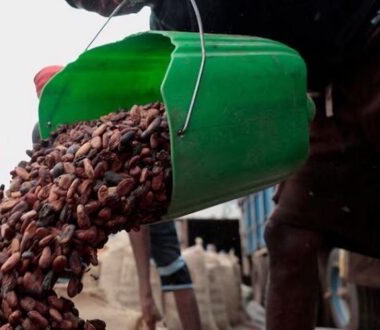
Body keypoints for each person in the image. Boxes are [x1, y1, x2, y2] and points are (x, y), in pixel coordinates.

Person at [62, 1, 380, 329]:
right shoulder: (169, 29)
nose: (98, 6)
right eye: (85, 5)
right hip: (324, 100)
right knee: (289, 235)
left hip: (367, 49)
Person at [32, 64, 200, 329]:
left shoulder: (97, 120)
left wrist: (145, 291)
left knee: (172, 266)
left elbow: (133, 203)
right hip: (88, 204)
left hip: (141, 192)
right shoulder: (43, 132)